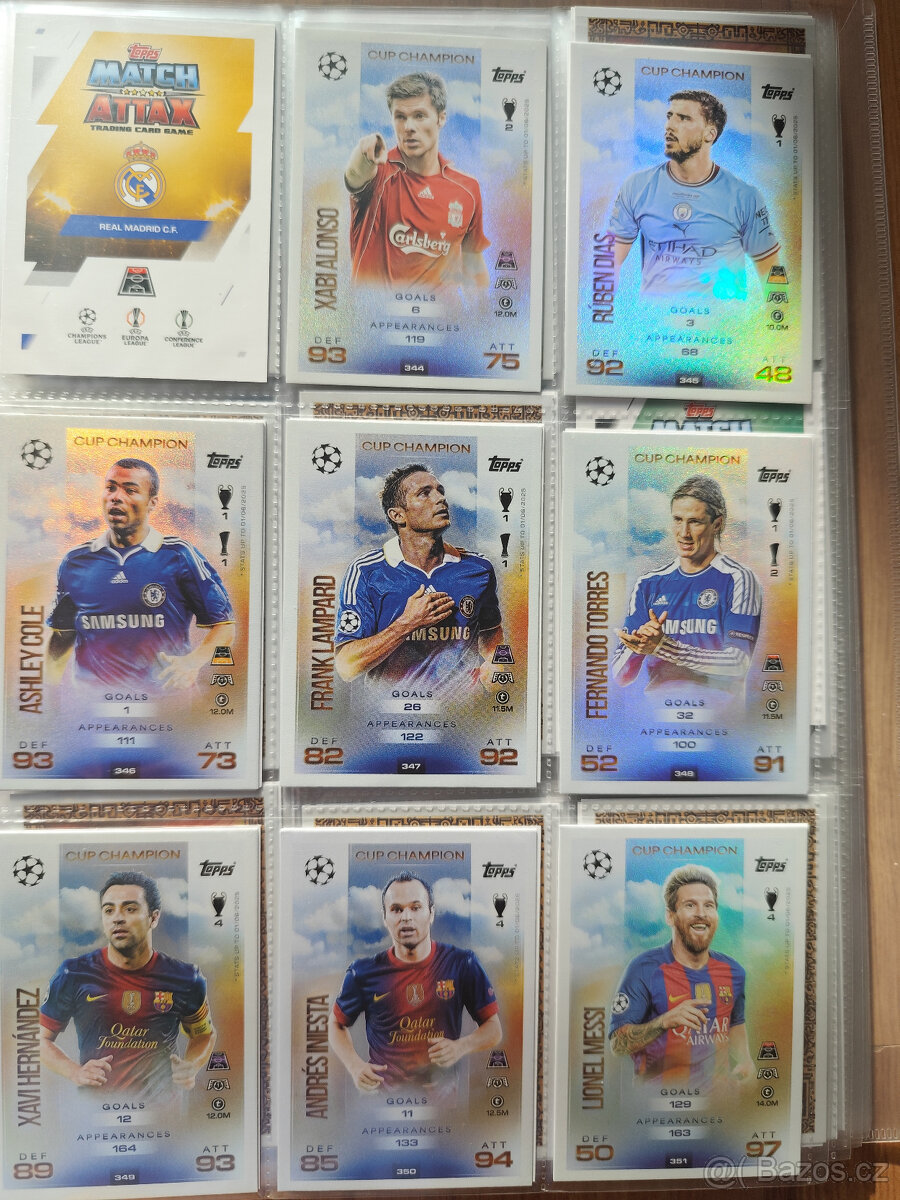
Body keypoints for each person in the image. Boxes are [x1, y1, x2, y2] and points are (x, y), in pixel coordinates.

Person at [46, 457, 234, 688]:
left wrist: (192, 662)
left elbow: (224, 626)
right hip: (92, 702)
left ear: (152, 502)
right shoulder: (75, 561)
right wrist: (49, 691)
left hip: (164, 700)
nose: (116, 497)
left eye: (130, 490)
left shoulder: (179, 554)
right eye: (110, 487)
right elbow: (62, 634)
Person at [39, 871, 215, 1100]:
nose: (117, 918)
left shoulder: (186, 978)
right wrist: (74, 1072)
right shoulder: (73, 974)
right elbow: (39, 1039)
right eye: (109, 910)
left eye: (130, 909)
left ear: (153, 918)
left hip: (162, 1111)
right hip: (96, 1108)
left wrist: (191, 1065)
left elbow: (204, 1035)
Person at [334, 463, 504, 699]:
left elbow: (491, 632)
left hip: (461, 713)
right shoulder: (367, 572)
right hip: (392, 710)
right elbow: (346, 667)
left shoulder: (478, 569)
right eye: (424, 493)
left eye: (440, 491)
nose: (440, 499)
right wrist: (407, 623)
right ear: (397, 515)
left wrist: (498, 664)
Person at [328, 871, 502, 1093]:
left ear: (431, 913)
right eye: (396, 909)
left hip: (443, 1103)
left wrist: (461, 1046)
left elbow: (494, 1029)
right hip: (382, 1098)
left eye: (416, 907)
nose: (406, 917)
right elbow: (336, 1023)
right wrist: (354, 1065)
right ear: (385, 917)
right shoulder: (362, 972)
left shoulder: (462, 963)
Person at [608, 90, 781, 299]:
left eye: (683, 118)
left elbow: (772, 274)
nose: (669, 126)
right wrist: (599, 313)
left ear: (710, 134)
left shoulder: (745, 197)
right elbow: (609, 262)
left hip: (723, 319)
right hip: (656, 319)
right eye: (669, 116)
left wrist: (778, 316)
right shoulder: (637, 187)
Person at [612, 474, 761, 694]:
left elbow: (739, 663)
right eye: (678, 520)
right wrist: (638, 645)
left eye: (695, 522)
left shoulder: (738, 578)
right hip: (657, 711)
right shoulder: (648, 584)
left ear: (717, 524)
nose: (684, 533)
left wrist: (664, 647)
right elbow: (620, 676)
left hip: (719, 711)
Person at [608, 864, 753, 1088]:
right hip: (658, 1101)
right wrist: (664, 1022)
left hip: (719, 1104)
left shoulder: (734, 971)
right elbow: (618, 1044)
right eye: (690, 905)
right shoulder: (644, 969)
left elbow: (735, 1023)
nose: (701, 913)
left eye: (708, 905)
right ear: (670, 916)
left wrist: (745, 1061)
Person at [344, 71, 489, 287]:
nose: (408, 127)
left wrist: (483, 307)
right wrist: (365, 153)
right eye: (400, 117)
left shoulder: (467, 189)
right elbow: (355, 176)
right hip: (377, 308)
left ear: (441, 118)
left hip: (441, 309)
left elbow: (473, 265)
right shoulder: (380, 172)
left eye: (419, 116)